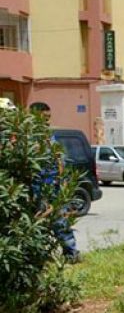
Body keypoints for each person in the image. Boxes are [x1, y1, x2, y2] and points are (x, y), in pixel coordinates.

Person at [29, 102, 82, 263]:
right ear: (34, 116)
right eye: (44, 117)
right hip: (39, 188)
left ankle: (71, 254)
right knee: (40, 222)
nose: (47, 121)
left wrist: (64, 180)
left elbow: (59, 159)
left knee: (61, 222)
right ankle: (39, 258)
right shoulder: (28, 137)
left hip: (55, 187)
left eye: (49, 118)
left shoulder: (49, 136)